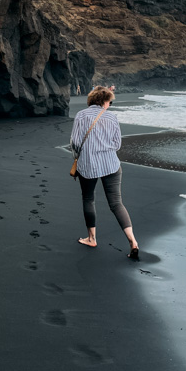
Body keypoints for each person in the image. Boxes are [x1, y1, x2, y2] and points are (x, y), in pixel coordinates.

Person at [70, 86, 139, 259]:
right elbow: (117, 144)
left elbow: (75, 142)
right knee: (116, 203)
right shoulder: (112, 117)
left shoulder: (81, 115)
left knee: (88, 198)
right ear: (104, 101)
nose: (110, 104)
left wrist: (81, 155)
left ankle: (92, 238)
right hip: (111, 164)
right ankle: (132, 240)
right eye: (110, 101)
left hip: (88, 164)